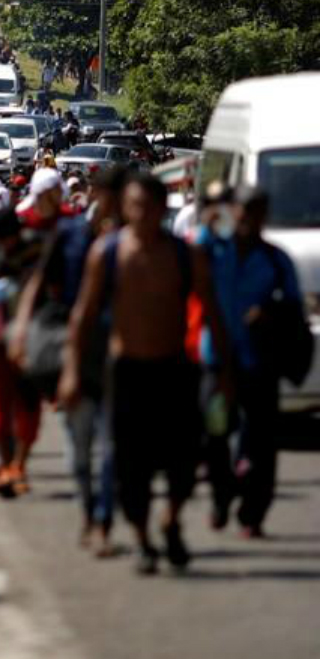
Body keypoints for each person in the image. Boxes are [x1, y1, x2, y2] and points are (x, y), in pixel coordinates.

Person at [60, 173, 231, 575]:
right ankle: (141, 539)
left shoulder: (186, 255)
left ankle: (171, 519)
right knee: (129, 464)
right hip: (126, 372)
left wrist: (224, 370)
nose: (141, 214)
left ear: (162, 209)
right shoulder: (108, 252)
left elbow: (213, 314)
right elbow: (82, 317)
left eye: (148, 207)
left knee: (183, 459)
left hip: (174, 370)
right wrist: (71, 372)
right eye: (133, 206)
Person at [10, 166, 127, 554]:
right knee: (78, 446)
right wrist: (23, 330)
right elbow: (39, 282)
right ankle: (89, 513)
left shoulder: (142, 243)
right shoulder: (72, 235)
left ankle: (104, 523)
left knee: (113, 447)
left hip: (122, 352)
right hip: (71, 349)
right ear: (94, 196)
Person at [197, 186, 301, 538]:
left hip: (259, 364)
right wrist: (206, 227)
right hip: (216, 362)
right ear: (233, 211)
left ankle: (253, 513)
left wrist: (269, 312)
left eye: (256, 210)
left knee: (262, 443)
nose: (247, 217)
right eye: (242, 210)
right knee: (214, 435)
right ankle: (221, 498)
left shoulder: (275, 259)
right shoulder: (213, 249)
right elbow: (189, 260)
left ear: (263, 215)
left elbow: (294, 307)